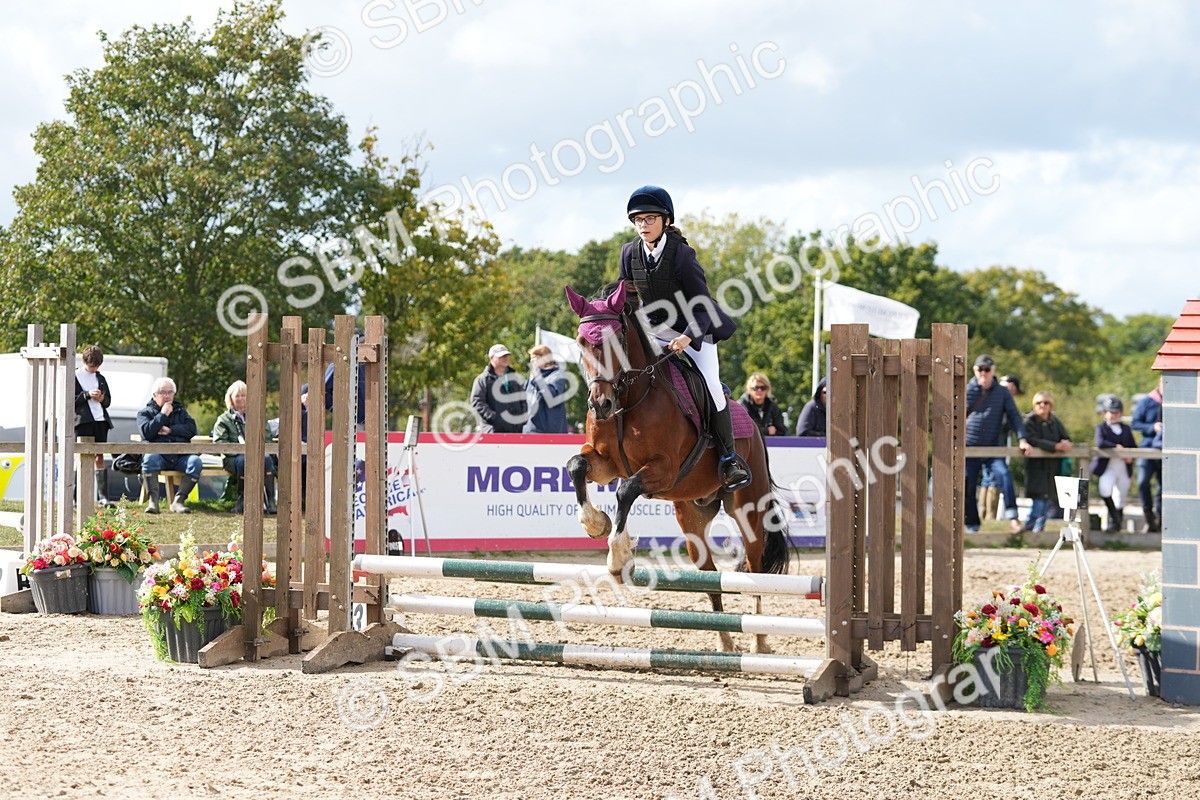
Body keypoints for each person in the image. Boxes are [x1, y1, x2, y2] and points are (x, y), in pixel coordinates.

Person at [617, 184, 749, 490]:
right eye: (638, 220)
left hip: (694, 327)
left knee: (712, 386)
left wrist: (686, 338)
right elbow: (627, 297)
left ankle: (729, 460)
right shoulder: (629, 252)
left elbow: (703, 305)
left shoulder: (683, 256)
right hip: (654, 330)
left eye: (650, 219)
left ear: (665, 221)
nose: (643, 226)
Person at [964, 355, 1032, 533]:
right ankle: (972, 525)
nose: (984, 373)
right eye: (980, 369)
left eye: (987, 369)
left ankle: (1013, 519)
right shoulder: (967, 389)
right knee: (967, 483)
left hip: (992, 447)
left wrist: (1023, 439)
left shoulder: (1002, 392)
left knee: (1004, 476)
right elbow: (954, 417)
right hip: (969, 447)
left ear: (993, 371)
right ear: (975, 370)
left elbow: (1015, 416)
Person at [137, 377, 202, 514]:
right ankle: (153, 501)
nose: (167, 396)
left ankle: (178, 501)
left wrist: (171, 430)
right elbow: (147, 433)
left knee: (195, 461)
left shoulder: (180, 411)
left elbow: (191, 429)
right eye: (162, 392)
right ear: (155, 395)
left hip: (180, 457)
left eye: (170, 392)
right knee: (149, 459)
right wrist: (162, 415)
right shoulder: (145, 413)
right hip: (159, 456)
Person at [212, 380, 277, 515]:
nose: (241, 399)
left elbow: (268, 438)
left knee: (267, 459)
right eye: (237, 396)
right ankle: (242, 499)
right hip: (234, 459)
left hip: (258, 456)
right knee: (243, 461)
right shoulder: (223, 420)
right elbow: (220, 444)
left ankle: (270, 501)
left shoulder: (258, 416)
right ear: (231, 398)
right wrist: (240, 450)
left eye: (244, 395)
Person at [1021, 391, 1072, 533]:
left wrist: (1066, 443)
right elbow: (1032, 439)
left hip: (1051, 467)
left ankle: (1039, 531)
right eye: (1039, 403)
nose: (1042, 405)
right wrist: (1054, 446)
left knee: (1047, 499)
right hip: (1036, 467)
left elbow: (1065, 436)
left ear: (1051, 405)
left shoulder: (1054, 421)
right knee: (1038, 499)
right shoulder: (1029, 421)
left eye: (1046, 402)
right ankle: (1029, 531)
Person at [74, 345, 113, 505]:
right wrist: (87, 395)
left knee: (100, 456)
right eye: (91, 366)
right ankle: (76, 497)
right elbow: (71, 401)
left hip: (100, 421)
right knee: (80, 457)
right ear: (84, 361)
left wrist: (101, 399)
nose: (94, 369)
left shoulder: (101, 378)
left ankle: (103, 497)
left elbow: (108, 401)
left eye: (96, 366)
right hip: (82, 421)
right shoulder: (74, 375)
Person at [1091, 395, 1137, 533]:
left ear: (1121, 414)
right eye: (1110, 412)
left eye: (1116, 412)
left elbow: (1133, 446)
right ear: (1105, 413)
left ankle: (1116, 524)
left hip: (1122, 466)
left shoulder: (1126, 429)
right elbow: (1100, 442)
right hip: (1108, 466)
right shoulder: (1101, 427)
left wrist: (1130, 457)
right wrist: (1116, 447)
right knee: (1105, 489)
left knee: (1121, 495)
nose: (1113, 415)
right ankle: (1114, 517)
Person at [470, 344, 527, 433]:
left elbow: (523, 400)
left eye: (507, 355)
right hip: (493, 432)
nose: (505, 358)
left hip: (516, 432)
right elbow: (477, 402)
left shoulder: (515, 379)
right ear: (491, 358)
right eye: (501, 356)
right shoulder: (482, 380)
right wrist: (494, 419)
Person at [1131, 379, 1164, 532]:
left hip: (1166, 451)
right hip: (1148, 448)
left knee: (1163, 487)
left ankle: (1161, 519)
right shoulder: (1146, 401)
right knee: (1143, 483)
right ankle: (1149, 517)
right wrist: (1153, 427)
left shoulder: (1176, 401)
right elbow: (1135, 423)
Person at [523, 345, 569, 434]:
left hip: (550, 433)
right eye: (531, 358)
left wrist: (537, 378)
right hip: (529, 430)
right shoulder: (531, 378)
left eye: (535, 358)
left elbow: (551, 397)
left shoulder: (557, 376)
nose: (532, 361)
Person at [738, 373, 786, 439]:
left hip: (770, 445)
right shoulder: (741, 406)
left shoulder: (772, 405)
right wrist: (766, 431)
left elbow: (782, 431)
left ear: (767, 389)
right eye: (756, 388)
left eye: (763, 388)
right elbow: (742, 431)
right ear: (749, 389)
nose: (759, 390)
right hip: (748, 444)